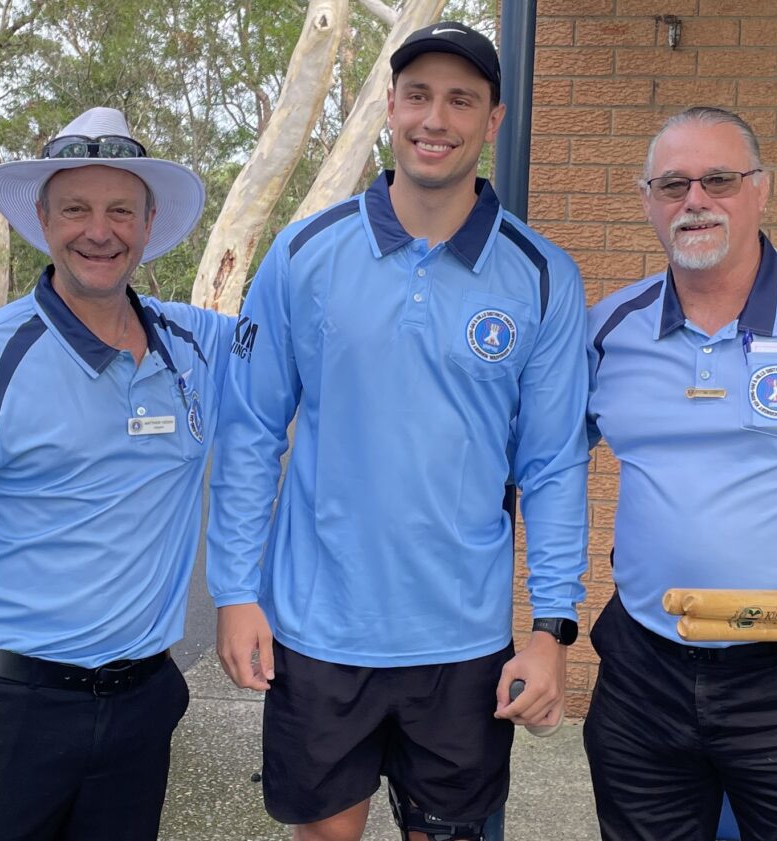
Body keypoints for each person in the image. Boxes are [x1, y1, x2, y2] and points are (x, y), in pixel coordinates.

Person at [207, 22, 589, 841]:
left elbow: (555, 462)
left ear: (492, 121)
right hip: (317, 627)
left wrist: (553, 627)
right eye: (417, 95)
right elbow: (249, 433)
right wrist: (236, 591)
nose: (434, 118)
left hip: (461, 639)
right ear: (388, 107)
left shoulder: (545, 275)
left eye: (461, 100)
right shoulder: (305, 253)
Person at [0, 106, 234, 841]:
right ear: (43, 217)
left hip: (139, 710)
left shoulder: (195, 347)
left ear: (150, 221)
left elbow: (309, 340)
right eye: (77, 209)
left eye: (121, 209)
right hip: (4, 713)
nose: (100, 230)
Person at [584, 106, 777, 841]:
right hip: (644, 669)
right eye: (672, 184)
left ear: (761, 190)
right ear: (647, 201)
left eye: (719, 180)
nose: (694, 200)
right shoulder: (610, 330)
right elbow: (538, 458)